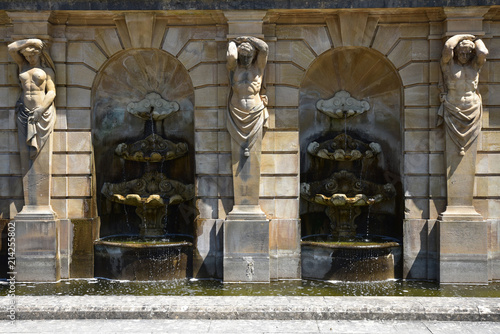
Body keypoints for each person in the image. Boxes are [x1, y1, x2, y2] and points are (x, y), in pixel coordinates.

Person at [438, 34, 488, 155]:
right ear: (456, 53)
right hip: (453, 108)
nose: (464, 57)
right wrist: (462, 36)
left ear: (472, 54)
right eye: (461, 54)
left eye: (467, 54)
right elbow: (448, 47)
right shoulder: (449, 66)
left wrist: (476, 39)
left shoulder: (475, 66)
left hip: (473, 109)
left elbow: (482, 52)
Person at [8, 38, 56, 160]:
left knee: (40, 153)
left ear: (39, 53)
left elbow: (51, 92)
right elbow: (11, 48)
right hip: (23, 112)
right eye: (27, 56)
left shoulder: (47, 70)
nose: (29, 59)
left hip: (40, 112)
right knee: (24, 152)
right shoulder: (23, 66)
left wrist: (41, 109)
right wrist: (31, 41)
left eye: (32, 56)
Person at [226, 36, 268, 157]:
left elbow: (264, 48)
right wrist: (232, 42)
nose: (245, 59)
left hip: (255, 112)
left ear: (254, 56)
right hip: (235, 111)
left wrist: (247, 38)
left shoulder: (258, 68)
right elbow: (232, 57)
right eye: (243, 56)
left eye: (248, 57)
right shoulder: (234, 68)